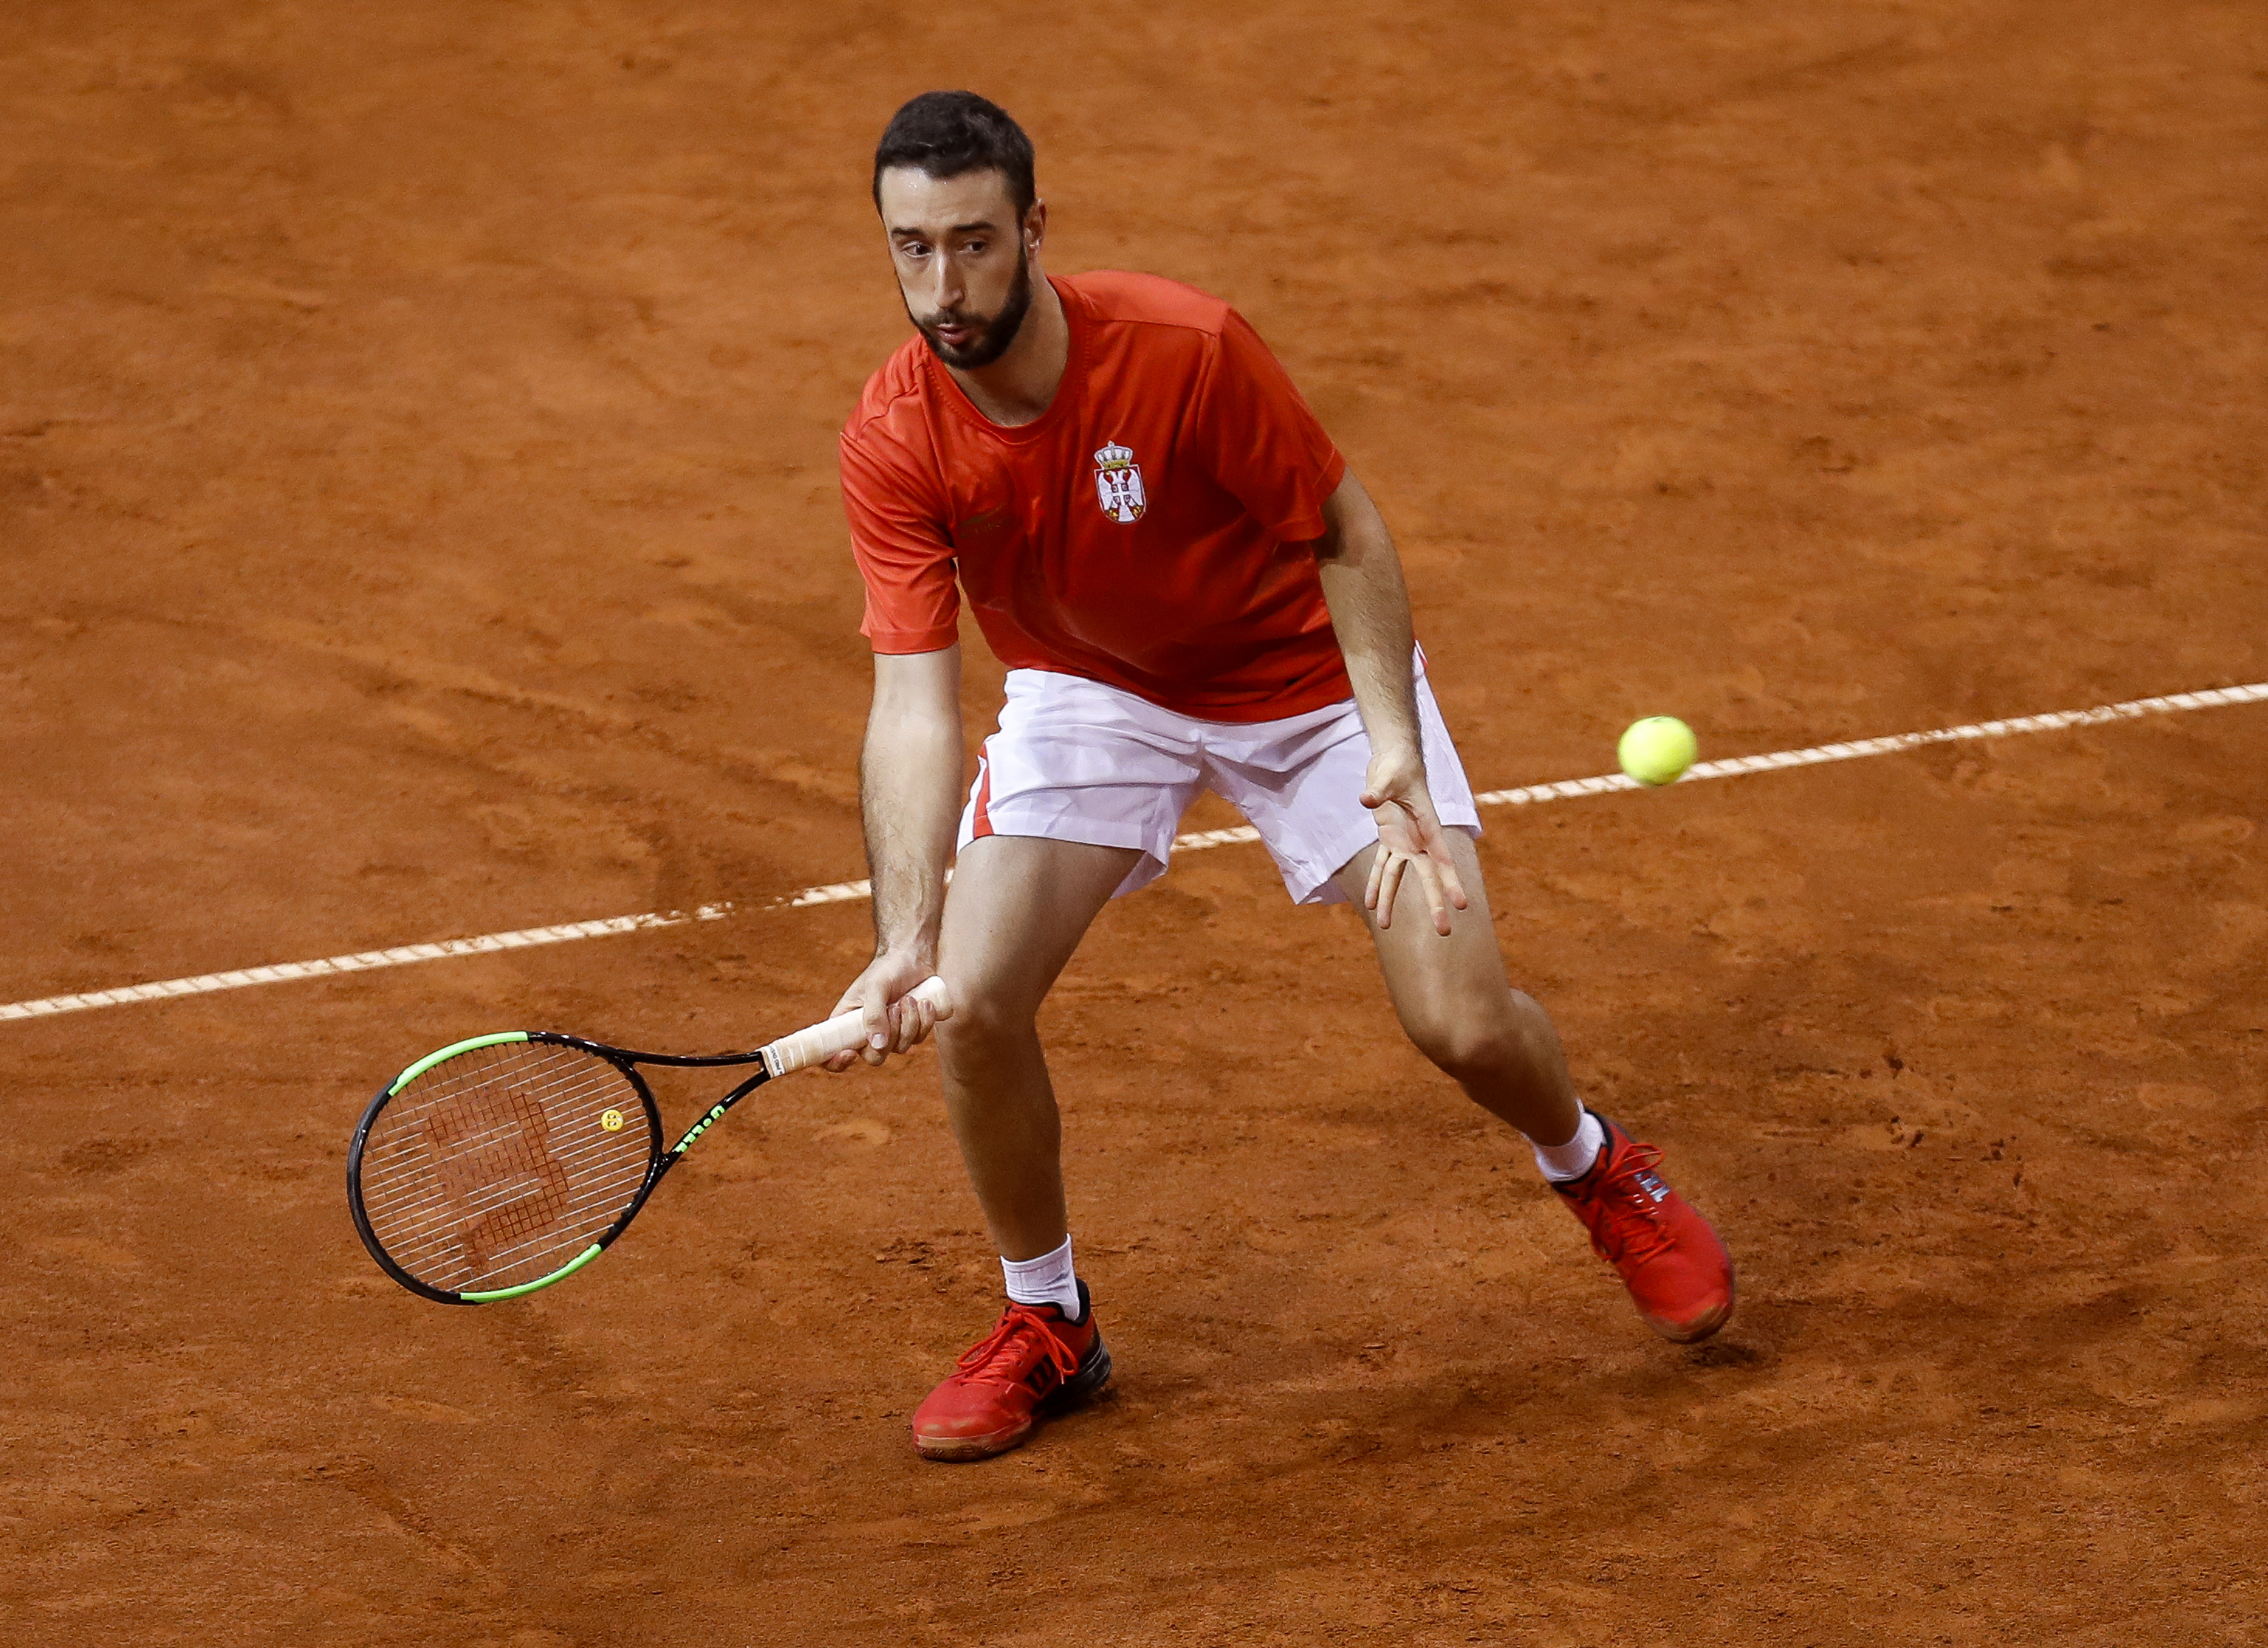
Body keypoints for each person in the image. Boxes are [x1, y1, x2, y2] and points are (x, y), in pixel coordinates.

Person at [825, 91, 1734, 1462]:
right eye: (912, 249)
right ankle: (1050, 1321)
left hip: (1306, 683)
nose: (944, 287)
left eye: (973, 244)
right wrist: (906, 932)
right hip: (1095, 689)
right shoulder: (894, 436)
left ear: (1032, 230)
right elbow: (912, 702)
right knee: (972, 1000)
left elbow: (1346, 532)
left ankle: (1597, 1166)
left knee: (1465, 1024)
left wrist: (1389, 742)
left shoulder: (1183, 350)